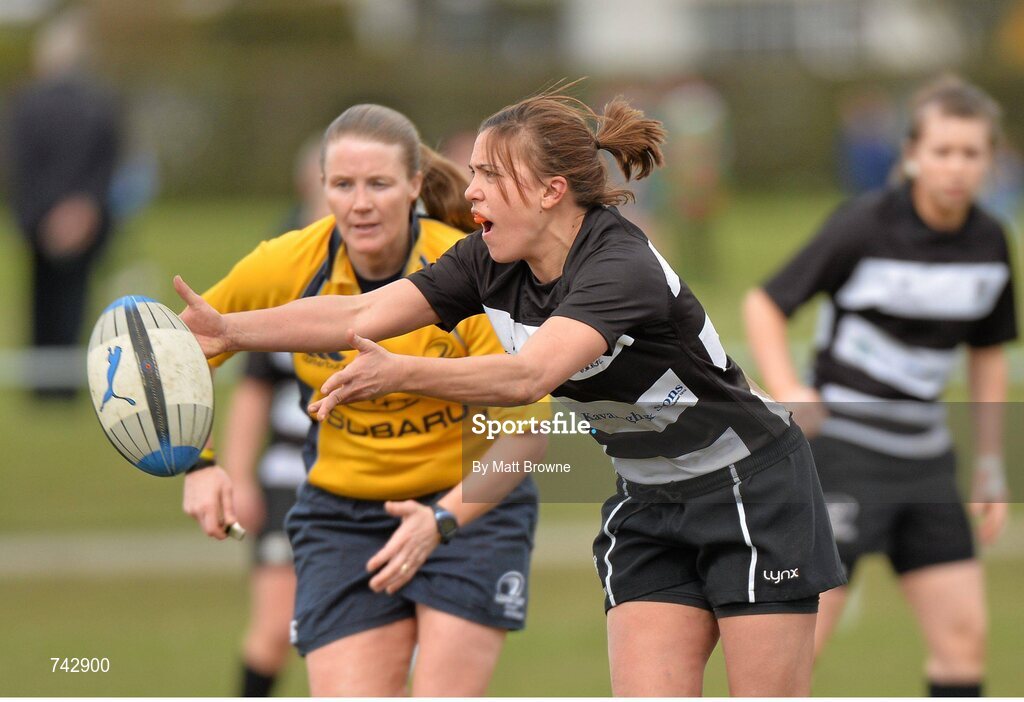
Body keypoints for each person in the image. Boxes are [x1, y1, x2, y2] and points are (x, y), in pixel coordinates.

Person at [174, 84, 846, 697]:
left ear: (552, 190)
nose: (470, 194)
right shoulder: (488, 261)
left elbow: (531, 377)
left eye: (490, 176)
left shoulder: (619, 266)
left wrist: (403, 370)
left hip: (751, 490)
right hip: (649, 502)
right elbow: (359, 315)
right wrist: (228, 329)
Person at [180, 104, 546, 696]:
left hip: (467, 508)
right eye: (343, 185)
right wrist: (197, 463)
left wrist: (442, 518)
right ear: (320, 188)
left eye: (378, 183)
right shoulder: (286, 263)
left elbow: (529, 433)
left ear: (414, 186)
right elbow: (176, 354)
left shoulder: (476, 268)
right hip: (342, 517)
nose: (361, 202)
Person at [743, 75, 1016, 697]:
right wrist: (788, 386)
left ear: (990, 161)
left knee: (964, 641)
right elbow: (765, 302)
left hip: (926, 461)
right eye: (942, 151)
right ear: (913, 155)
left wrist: (992, 463)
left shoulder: (991, 242)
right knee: (799, 646)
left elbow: (987, 354)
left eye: (971, 153)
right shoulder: (864, 224)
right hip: (840, 452)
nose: (956, 167)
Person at [223, 139, 331, 697]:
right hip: (290, 479)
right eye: (335, 189)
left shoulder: (404, 283)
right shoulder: (282, 280)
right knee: (273, 632)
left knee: (363, 642)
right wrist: (237, 474)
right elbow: (254, 388)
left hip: (380, 475)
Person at [7, 7, 120, 399]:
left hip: (41, 221)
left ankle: (44, 386)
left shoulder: (28, 103)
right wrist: (83, 209)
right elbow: (108, 163)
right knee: (76, 298)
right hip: (85, 220)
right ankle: (67, 385)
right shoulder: (100, 101)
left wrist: (43, 217)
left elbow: (21, 166)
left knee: (42, 298)